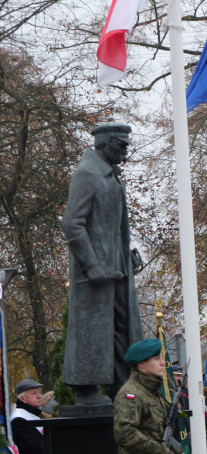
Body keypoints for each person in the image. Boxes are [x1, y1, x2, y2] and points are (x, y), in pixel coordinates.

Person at [62, 123, 144, 406]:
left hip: (116, 268)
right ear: (104, 144)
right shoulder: (88, 174)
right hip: (96, 274)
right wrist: (91, 264)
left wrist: (125, 252)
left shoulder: (112, 177)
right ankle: (86, 390)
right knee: (92, 330)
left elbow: (109, 227)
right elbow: (72, 223)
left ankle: (123, 388)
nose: (125, 150)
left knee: (122, 330)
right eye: (121, 144)